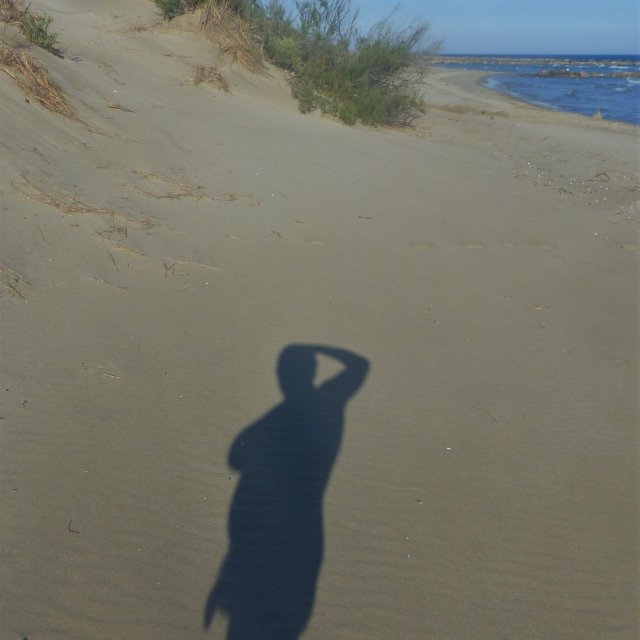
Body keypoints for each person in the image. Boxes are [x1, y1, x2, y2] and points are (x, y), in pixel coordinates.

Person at [204, 344, 369, 639]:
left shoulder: (289, 415)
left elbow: (235, 456)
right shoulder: (331, 401)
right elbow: (359, 365)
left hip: (267, 543)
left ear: (283, 377)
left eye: (282, 372)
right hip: (298, 538)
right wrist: (315, 348)